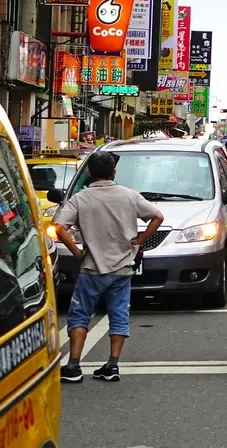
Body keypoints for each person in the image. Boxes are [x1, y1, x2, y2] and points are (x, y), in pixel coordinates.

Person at [55, 151, 165, 383]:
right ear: (114, 172)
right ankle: (112, 365)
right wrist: (140, 240)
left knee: (80, 315)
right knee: (118, 314)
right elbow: (157, 216)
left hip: (91, 268)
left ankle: (73, 365)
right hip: (122, 268)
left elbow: (59, 227)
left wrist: (76, 251)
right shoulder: (129, 195)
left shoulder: (80, 198)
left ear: (88, 173)